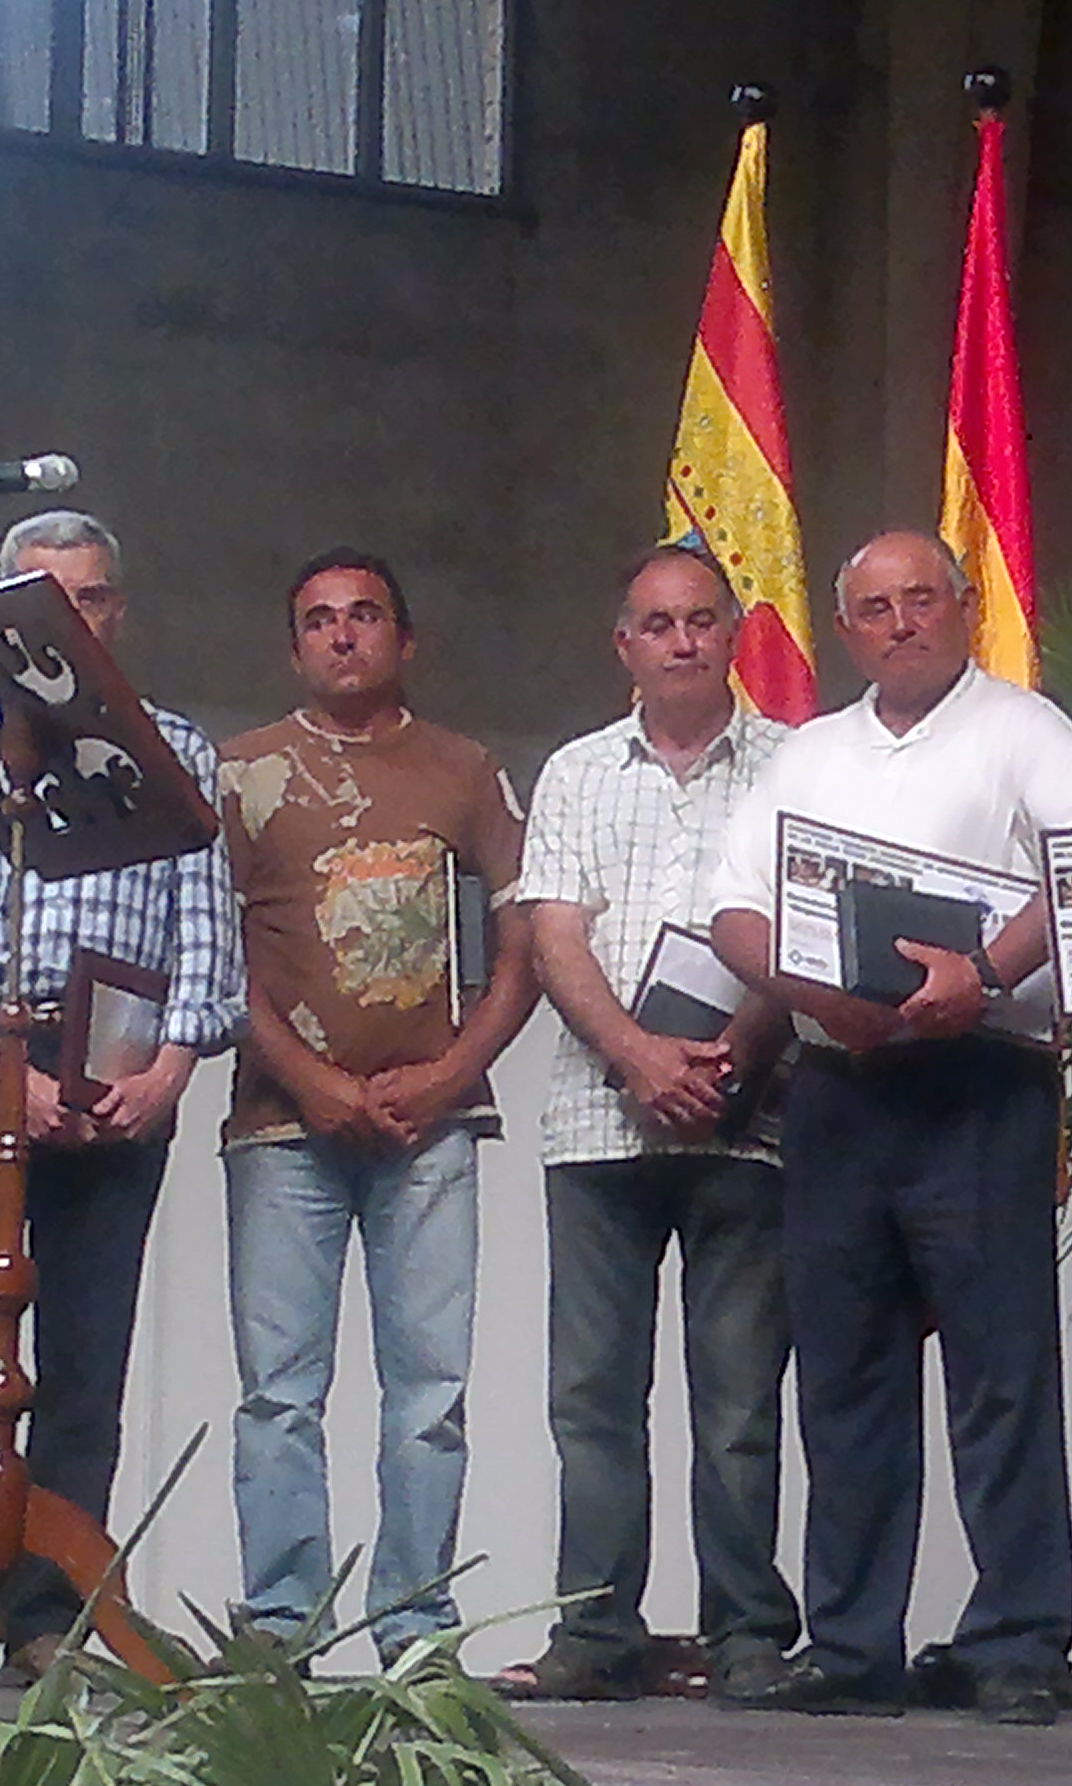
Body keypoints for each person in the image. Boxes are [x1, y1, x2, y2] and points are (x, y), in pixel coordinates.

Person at [708, 530, 1072, 1727]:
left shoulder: (1024, 729)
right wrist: (807, 992)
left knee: (1000, 1374)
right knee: (845, 1377)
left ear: (965, 604)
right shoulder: (808, 752)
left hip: (981, 1078)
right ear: (846, 629)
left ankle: (1018, 1643)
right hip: (841, 1089)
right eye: (876, 608)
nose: (901, 624)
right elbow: (733, 910)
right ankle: (850, 1645)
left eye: (921, 599)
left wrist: (982, 977)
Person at [495, 543, 802, 1707]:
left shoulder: (795, 762)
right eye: (657, 624)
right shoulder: (576, 771)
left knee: (738, 1405)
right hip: (599, 1123)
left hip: (747, 1117)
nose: (681, 641)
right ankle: (595, 1632)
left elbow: (803, 928)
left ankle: (748, 1635)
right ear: (622, 643)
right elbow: (553, 933)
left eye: (701, 620)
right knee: (591, 1401)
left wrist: (734, 1054)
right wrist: (637, 1055)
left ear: (734, 634)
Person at [217, 548, 537, 1662]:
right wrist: (314, 1082)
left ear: (406, 640)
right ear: (294, 647)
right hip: (281, 1127)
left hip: (433, 1129)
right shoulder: (241, 773)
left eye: (364, 615)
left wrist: (448, 1075)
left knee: (430, 1394)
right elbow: (215, 952)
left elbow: (525, 945)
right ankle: (280, 1629)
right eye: (319, 620)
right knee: (278, 1396)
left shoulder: (466, 770)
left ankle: (415, 1630)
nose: (343, 634)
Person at [0, 512, 242, 1677]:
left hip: (123, 1070)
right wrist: (13, 1077)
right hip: (5, 1059)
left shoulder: (171, 748)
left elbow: (211, 931)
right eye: (41, 601)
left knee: (86, 1359)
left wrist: (171, 1068)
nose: (69, 620)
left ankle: (45, 1612)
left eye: (88, 598)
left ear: (118, 610)